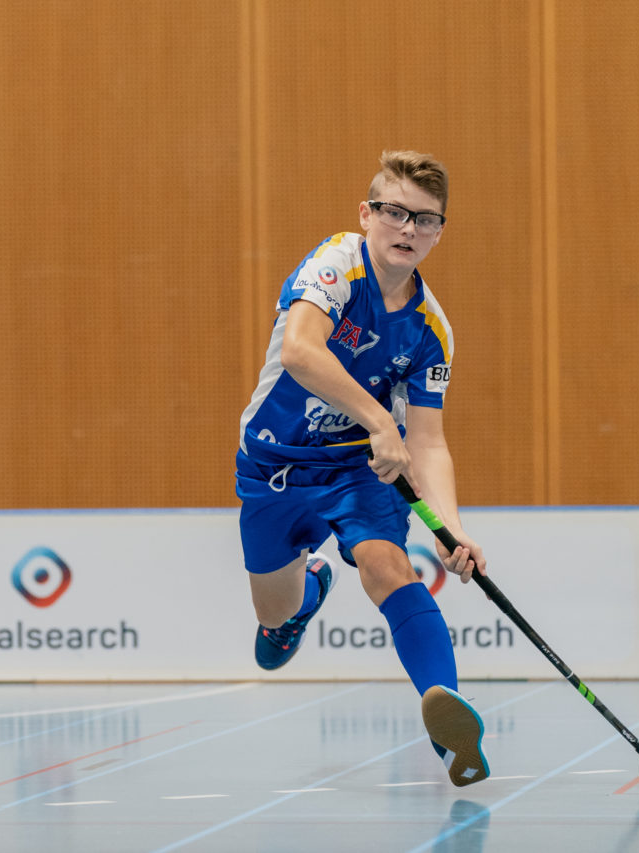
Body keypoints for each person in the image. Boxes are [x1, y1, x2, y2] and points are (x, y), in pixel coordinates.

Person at [235, 150, 491, 787]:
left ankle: (450, 721)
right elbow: (299, 350)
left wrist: (451, 530)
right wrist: (381, 420)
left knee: (388, 565)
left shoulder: (432, 330)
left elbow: (428, 441)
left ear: (439, 232)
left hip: (356, 472)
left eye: (425, 221)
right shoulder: (336, 263)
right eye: (396, 213)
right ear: (367, 214)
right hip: (274, 461)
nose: (408, 230)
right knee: (271, 621)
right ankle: (304, 598)